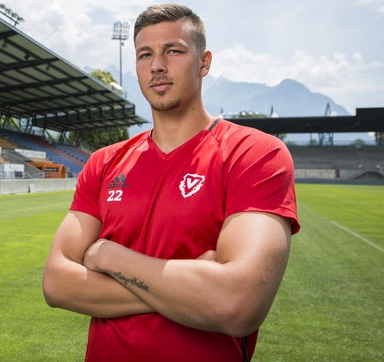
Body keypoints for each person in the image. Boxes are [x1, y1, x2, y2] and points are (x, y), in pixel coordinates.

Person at [42, 3, 300, 361]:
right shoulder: (104, 163)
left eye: (173, 51)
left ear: (204, 62)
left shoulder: (254, 153)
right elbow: (56, 283)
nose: (157, 65)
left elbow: (236, 304)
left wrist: (107, 254)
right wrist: (192, 291)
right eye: (144, 54)